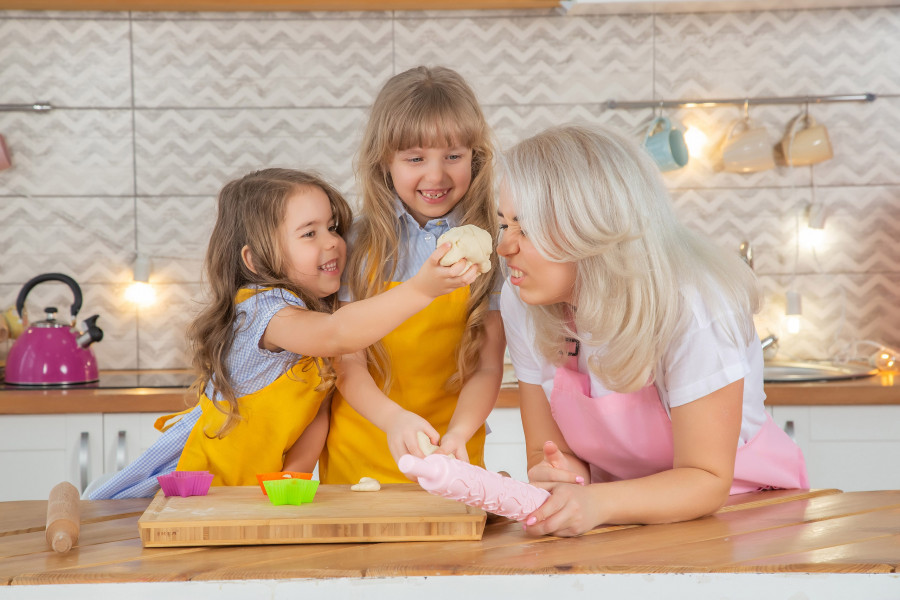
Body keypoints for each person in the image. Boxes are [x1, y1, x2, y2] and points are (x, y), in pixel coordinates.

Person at [497, 125, 808, 537]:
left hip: (744, 516)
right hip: (618, 519)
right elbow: (550, 453)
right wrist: (563, 480)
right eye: (504, 224)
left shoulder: (694, 303)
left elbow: (707, 478)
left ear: (591, 227)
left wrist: (596, 502)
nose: (504, 247)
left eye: (526, 227)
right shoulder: (523, 301)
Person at [89, 168, 477, 498]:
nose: (333, 242)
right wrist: (422, 289)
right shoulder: (263, 309)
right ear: (255, 260)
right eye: (309, 234)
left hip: (247, 494)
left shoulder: (312, 316)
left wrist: (293, 477)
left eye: (332, 227)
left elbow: (315, 419)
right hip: (195, 480)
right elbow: (338, 334)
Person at [319, 66, 507, 484]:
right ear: (385, 161)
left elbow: (487, 368)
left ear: (475, 158)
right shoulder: (353, 244)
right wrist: (394, 421)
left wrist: (458, 434)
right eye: (415, 158)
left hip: (453, 454)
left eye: (453, 156)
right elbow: (347, 363)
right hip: (363, 452)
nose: (436, 176)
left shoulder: (493, 247)